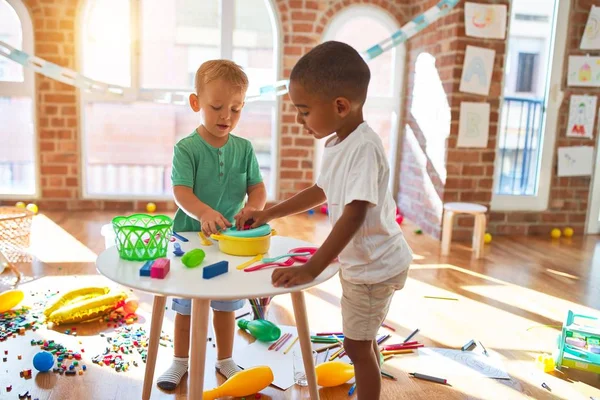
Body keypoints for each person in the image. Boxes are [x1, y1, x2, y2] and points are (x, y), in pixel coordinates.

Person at [240, 41, 412, 399]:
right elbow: (321, 190)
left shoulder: (364, 147)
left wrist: (312, 267)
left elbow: (354, 214)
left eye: (304, 111)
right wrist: (268, 212)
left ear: (340, 106)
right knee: (362, 341)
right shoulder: (339, 142)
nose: (300, 121)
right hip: (363, 263)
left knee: (356, 347)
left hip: (374, 267)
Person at [157, 60, 267, 390]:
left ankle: (225, 360)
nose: (226, 117)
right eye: (217, 107)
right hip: (190, 238)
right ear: (196, 103)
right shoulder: (186, 148)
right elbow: (181, 192)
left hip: (229, 242)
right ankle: (179, 362)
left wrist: (254, 208)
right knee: (187, 306)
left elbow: (257, 188)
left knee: (226, 304)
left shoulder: (244, 148)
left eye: (235, 109)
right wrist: (203, 212)